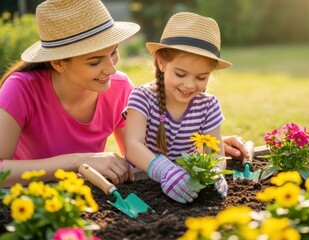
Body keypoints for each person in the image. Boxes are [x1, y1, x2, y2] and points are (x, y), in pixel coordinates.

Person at [0, 0, 140, 187]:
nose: (111, 69)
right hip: (28, 201)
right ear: (58, 63)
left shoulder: (120, 87)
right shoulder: (21, 89)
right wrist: (76, 162)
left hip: (86, 198)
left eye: (113, 52)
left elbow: (135, 159)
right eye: (94, 62)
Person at [124, 12, 238, 204]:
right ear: (162, 63)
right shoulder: (142, 97)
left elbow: (217, 154)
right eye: (181, 74)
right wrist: (166, 171)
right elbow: (133, 146)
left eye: (201, 77)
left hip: (187, 186)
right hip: (141, 182)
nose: (189, 85)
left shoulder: (208, 105)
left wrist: (216, 173)